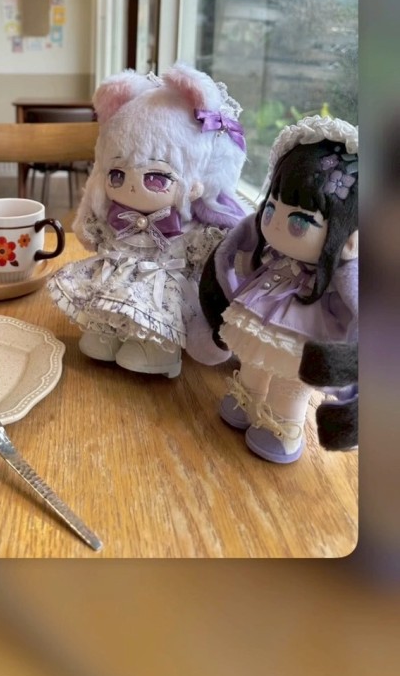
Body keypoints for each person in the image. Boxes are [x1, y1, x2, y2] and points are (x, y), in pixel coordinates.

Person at [48, 64, 248, 377]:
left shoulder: (188, 228)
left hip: (164, 283)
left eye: (156, 178)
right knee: (105, 300)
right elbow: (94, 236)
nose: (131, 187)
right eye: (117, 175)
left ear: (196, 183)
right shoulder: (115, 216)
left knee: (159, 310)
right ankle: (108, 332)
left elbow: (208, 255)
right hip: (120, 271)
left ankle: (157, 349)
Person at [199, 115, 358, 463]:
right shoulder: (271, 254)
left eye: (301, 220)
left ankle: (283, 424)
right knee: (253, 358)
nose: (276, 224)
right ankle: (248, 396)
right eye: (271, 208)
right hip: (263, 305)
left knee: (291, 379)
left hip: (308, 329)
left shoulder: (343, 276)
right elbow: (236, 260)